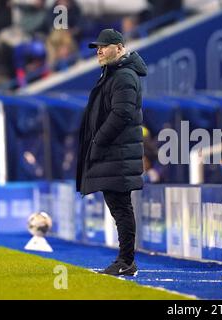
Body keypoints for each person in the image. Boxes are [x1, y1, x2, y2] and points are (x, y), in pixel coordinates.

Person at [76, 29, 147, 276]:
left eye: (103, 46)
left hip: (117, 153)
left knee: (121, 208)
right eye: (97, 47)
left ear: (118, 48)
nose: (98, 50)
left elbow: (121, 114)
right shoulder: (114, 74)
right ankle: (126, 260)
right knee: (120, 208)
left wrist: (98, 141)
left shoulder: (124, 76)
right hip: (115, 154)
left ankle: (126, 260)